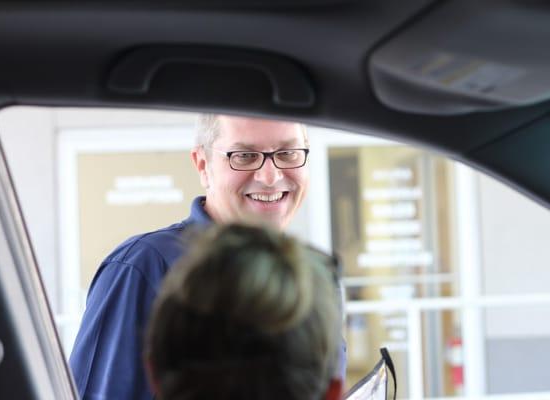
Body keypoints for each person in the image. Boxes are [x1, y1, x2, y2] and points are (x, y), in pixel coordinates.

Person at [69, 114, 344, 400]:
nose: (270, 176)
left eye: (287, 154)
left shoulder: (315, 276)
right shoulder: (144, 267)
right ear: (203, 165)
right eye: (245, 156)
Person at [144, 223, 343, 400]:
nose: (269, 179)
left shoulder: (149, 259)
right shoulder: (143, 262)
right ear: (334, 393)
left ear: (154, 375)